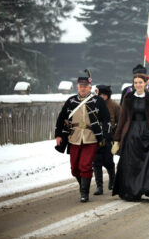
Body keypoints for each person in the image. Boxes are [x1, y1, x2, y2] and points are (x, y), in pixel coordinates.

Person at [112, 72, 149, 201]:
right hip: (131, 133)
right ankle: (130, 191)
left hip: (146, 133)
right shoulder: (128, 97)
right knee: (130, 163)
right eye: (135, 83)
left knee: (143, 163)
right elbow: (122, 118)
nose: (138, 85)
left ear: (145, 84)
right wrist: (117, 138)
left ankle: (140, 188)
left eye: (140, 82)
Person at [55, 73, 112, 202]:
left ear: (90, 87)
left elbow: (106, 119)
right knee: (75, 168)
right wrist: (58, 135)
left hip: (91, 137)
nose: (83, 88)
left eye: (85, 86)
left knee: (85, 165)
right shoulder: (71, 101)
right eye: (81, 86)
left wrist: (105, 136)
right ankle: (83, 187)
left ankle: (84, 193)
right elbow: (61, 118)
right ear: (77, 87)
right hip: (74, 137)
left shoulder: (98, 101)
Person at [92, 85, 120, 195]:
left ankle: (112, 180)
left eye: (104, 95)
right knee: (96, 162)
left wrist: (115, 131)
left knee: (108, 161)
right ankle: (99, 186)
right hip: (95, 137)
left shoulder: (114, 105)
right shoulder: (93, 104)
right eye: (100, 94)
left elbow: (121, 120)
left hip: (109, 137)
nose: (102, 97)